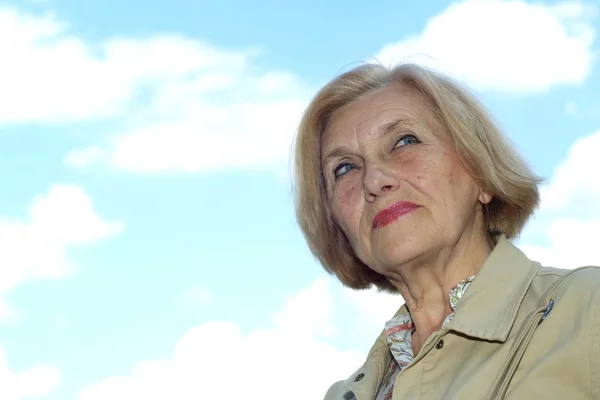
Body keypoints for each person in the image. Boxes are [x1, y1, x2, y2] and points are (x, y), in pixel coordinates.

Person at [292, 63, 600, 399]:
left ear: (480, 174)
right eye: (345, 168)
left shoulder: (587, 309)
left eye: (404, 141)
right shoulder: (345, 394)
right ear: (338, 226)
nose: (374, 180)